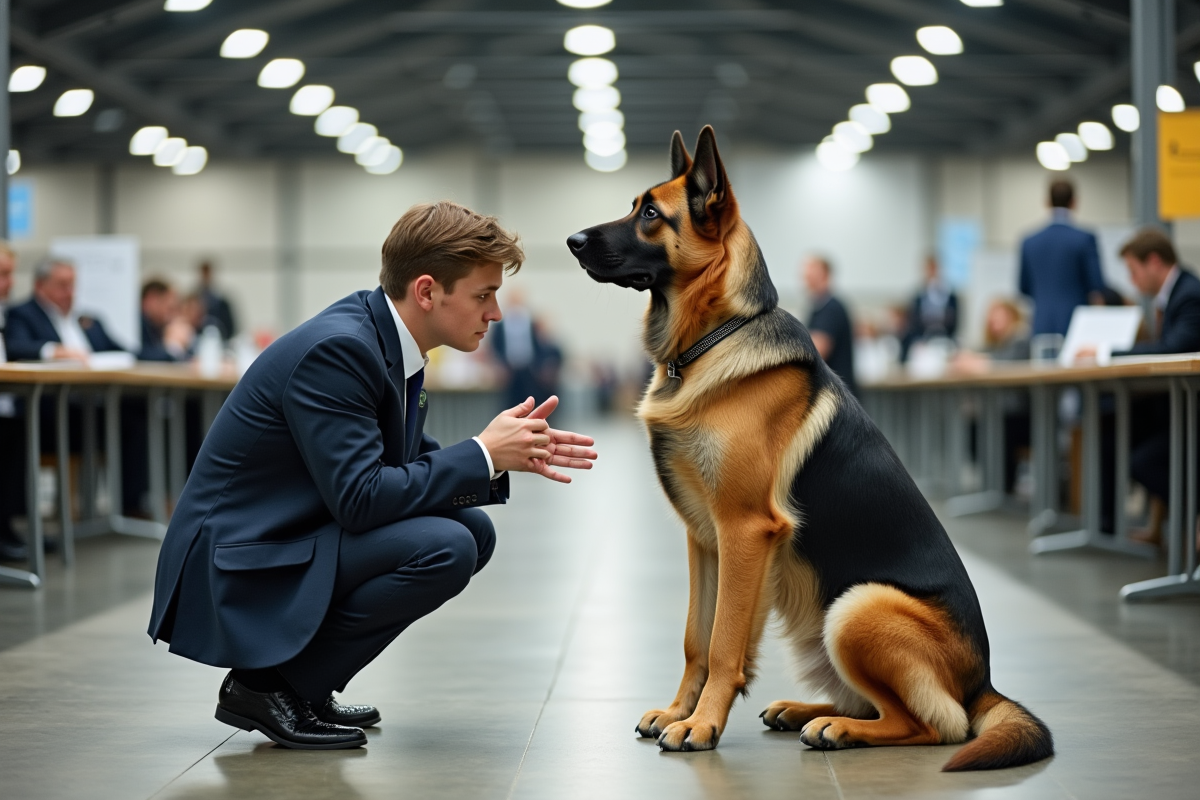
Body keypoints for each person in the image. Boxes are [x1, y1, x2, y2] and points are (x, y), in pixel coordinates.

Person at [147, 201, 598, 750]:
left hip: (288, 530)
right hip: (236, 557)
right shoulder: (341, 350)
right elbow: (360, 499)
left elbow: (401, 464)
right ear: (427, 291)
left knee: (473, 532)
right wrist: (482, 452)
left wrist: (498, 457)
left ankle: (306, 682)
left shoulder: (385, 339)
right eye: (483, 295)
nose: (496, 313)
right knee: (447, 547)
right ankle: (266, 687)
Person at [1079, 229, 1200, 543]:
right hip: (1171, 407)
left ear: (1154, 262)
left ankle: (1192, 518)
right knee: (1109, 431)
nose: (1132, 281)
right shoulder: (1172, 297)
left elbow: (1173, 349)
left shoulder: (1189, 294)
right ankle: (1106, 529)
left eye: (1134, 271)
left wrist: (1105, 351)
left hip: (1189, 412)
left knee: (1143, 461)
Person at [1018, 179, 1106, 337]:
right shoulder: (1085, 239)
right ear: (1074, 202)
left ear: (1047, 202)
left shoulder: (1029, 241)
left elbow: (1023, 287)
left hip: (1041, 324)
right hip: (1076, 323)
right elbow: (1096, 284)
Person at [4, 258, 124, 361]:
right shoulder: (21, 314)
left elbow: (120, 350)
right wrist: (54, 351)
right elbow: (16, 347)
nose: (69, 292)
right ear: (39, 285)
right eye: (62, 285)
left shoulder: (88, 320)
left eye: (72, 285)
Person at [0, 241, 27, 561]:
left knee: (17, 430)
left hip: (6, 406)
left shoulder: (7, 314)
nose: (10, 282)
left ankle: (6, 526)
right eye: (3, 274)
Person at [803, 255, 857, 396]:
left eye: (811, 271)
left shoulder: (831, 308)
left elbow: (817, 350)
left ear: (824, 274)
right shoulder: (817, 307)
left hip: (837, 394)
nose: (806, 276)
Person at [900, 255, 958, 362]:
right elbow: (913, 322)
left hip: (945, 339)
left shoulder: (950, 296)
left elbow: (955, 322)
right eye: (929, 269)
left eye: (934, 268)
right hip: (922, 340)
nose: (931, 272)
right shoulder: (918, 297)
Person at [140, 278, 195, 362]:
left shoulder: (155, 326)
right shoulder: (138, 325)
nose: (171, 316)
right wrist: (174, 346)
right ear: (152, 299)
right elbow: (141, 356)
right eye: (169, 308)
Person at [198, 260, 237, 341]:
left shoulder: (222, 303)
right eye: (204, 274)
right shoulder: (195, 301)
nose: (206, 277)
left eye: (208, 273)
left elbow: (230, 327)